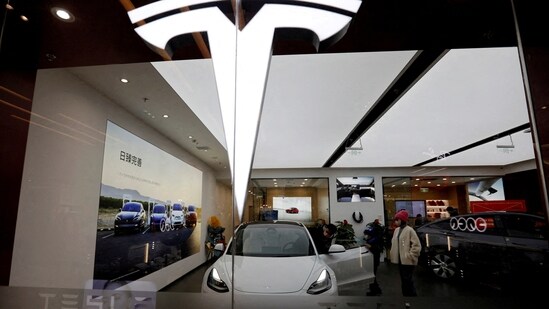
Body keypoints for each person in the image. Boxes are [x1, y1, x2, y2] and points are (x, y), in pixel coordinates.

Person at [389, 210, 422, 297]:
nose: (396, 221)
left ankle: (412, 298)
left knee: (407, 280)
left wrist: (410, 256)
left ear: (402, 219)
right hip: (400, 260)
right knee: (404, 280)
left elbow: (417, 245)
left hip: (407, 261)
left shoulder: (410, 230)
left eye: (397, 219)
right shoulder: (396, 230)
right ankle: (406, 298)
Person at [363, 219, 385, 296]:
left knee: (372, 274)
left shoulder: (375, 240)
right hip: (373, 258)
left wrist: (370, 246)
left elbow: (376, 249)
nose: (366, 236)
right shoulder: (375, 239)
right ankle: (376, 289)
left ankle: (375, 290)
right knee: (372, 274)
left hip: (373, 259)